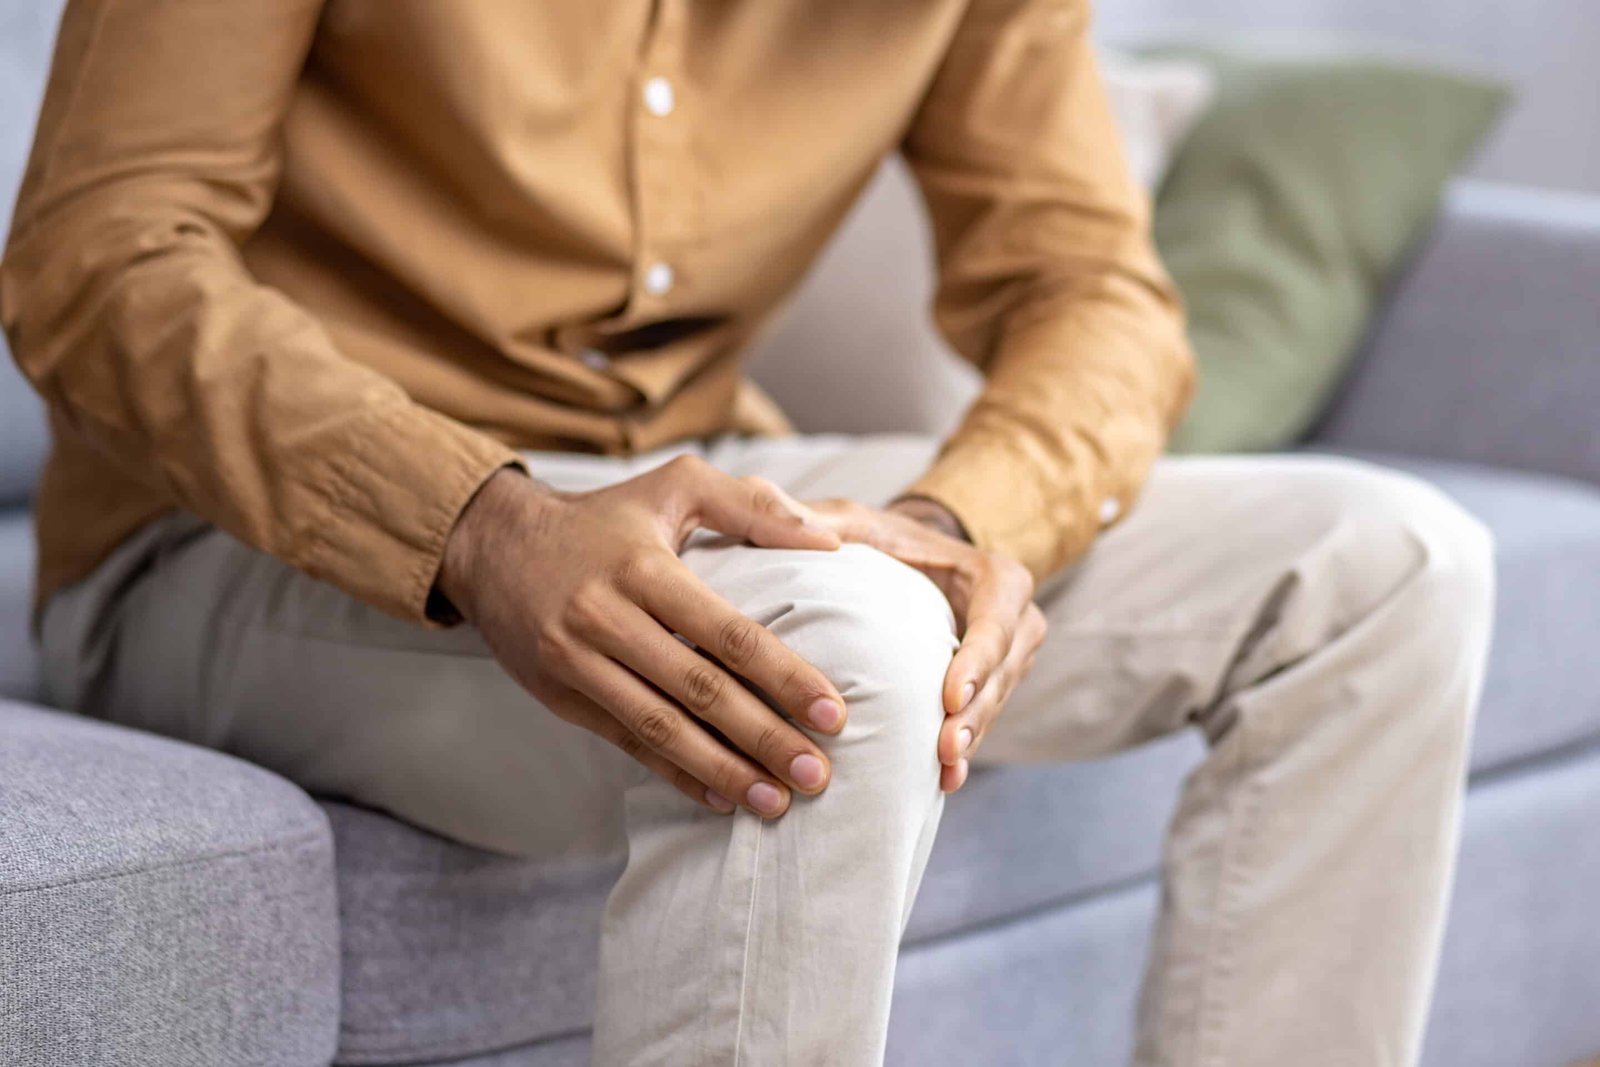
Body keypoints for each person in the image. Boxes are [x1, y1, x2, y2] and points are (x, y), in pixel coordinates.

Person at [0, 1, 1494, 1064]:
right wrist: (479, 520)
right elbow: (99, 253)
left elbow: (1090, 286)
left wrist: (955, 521)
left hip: (689, 477)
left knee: (1384, 569)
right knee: (830, 648)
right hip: (235, 542)